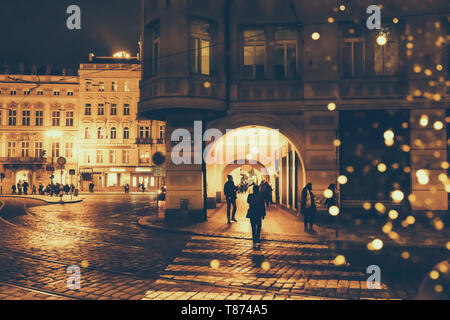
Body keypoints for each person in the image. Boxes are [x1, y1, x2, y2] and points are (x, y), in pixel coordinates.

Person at [246, 185, 266, 250]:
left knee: (253, 226)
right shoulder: (261, 196)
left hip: (252, 213)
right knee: (259, 226)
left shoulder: (250, 196)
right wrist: (263, 214)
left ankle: (254, 238)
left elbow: (248, 201)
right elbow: (263, 205)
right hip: (259, 213)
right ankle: (258, 238)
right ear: (258, 189)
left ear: (253, 189)